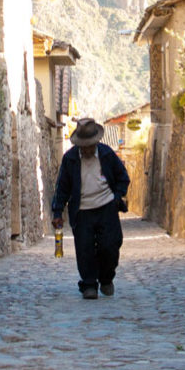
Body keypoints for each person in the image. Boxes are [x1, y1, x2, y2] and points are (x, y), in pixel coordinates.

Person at [52, 118, 130, 299]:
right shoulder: (70, 158)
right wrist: (57, 212)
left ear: (96, 142)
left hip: (106, 207)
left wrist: (116, 197)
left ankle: (106, 278)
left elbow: (122, 178)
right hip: (82, 211)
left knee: (111, 246)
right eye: (83, 146)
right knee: (84, 248)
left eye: (89, 145)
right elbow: (62, 187)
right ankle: (89, 285)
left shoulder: (107, 155)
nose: (86, 149)